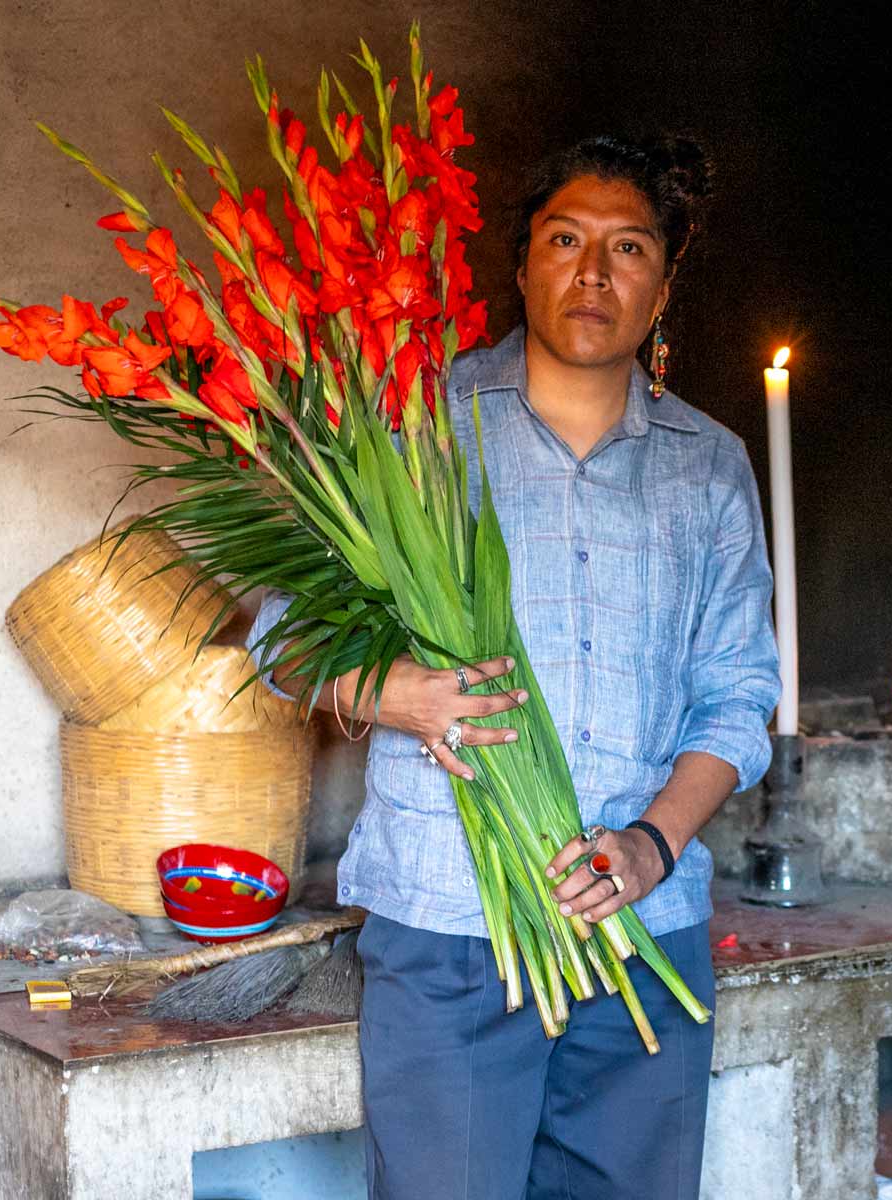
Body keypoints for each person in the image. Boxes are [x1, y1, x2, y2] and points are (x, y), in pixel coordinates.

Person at [248, 134, 781, 1200]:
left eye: (628, 248)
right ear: (523, 262)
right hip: (448, 924)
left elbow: (737, 701)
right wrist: (399, 694)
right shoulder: (413, 427)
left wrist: (647, 846)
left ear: (664, 282)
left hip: (643, 930)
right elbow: (278, 635)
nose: (593, 274)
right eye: (565, 240)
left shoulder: (709, 463)